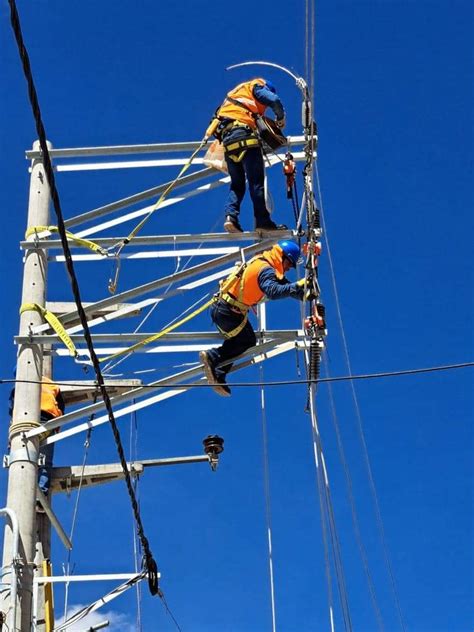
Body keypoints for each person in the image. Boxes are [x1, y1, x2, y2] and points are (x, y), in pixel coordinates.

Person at [200, 240, 304, 396]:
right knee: (247, 340)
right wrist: (296, 287)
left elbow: (284, 285)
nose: (289, 268)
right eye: (289, 264)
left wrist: (303, 293)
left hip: (223, 308)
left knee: (242, 339)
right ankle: (213, 358)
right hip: (228, 312)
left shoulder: (261, 260)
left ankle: (219, 370)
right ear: (283, 257)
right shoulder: (266, 270)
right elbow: (274, 290)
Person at [213, 78, 288, 234]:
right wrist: (280, 118)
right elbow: (274, 100)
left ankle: (230, 218)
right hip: (244, 135)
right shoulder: (257, 87)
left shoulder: (234, 96)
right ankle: (263, 221)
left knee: (237, 184)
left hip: (228, 141)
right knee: (256, 182)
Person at [9, 375, 65, 500]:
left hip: (26, 420)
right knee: (45, 462)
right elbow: (61, 405)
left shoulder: (20, 381)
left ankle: (22, 495)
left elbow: (12, 407)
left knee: (21, 456)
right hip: (48, 421)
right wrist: (57, 425)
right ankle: (41, 496)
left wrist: (11, 439)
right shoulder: (52, 384)